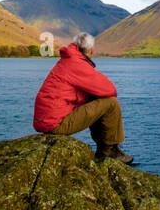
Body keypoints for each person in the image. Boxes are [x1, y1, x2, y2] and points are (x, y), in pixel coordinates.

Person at [33, 32, 133, 164]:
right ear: (90, 51)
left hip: (46, 121)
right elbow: (110, 90)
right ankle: (109, 150)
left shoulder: (67, 61)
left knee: (96, 100)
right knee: (111, 103)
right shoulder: (76, 63)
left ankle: (105, 149)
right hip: (55, 124)